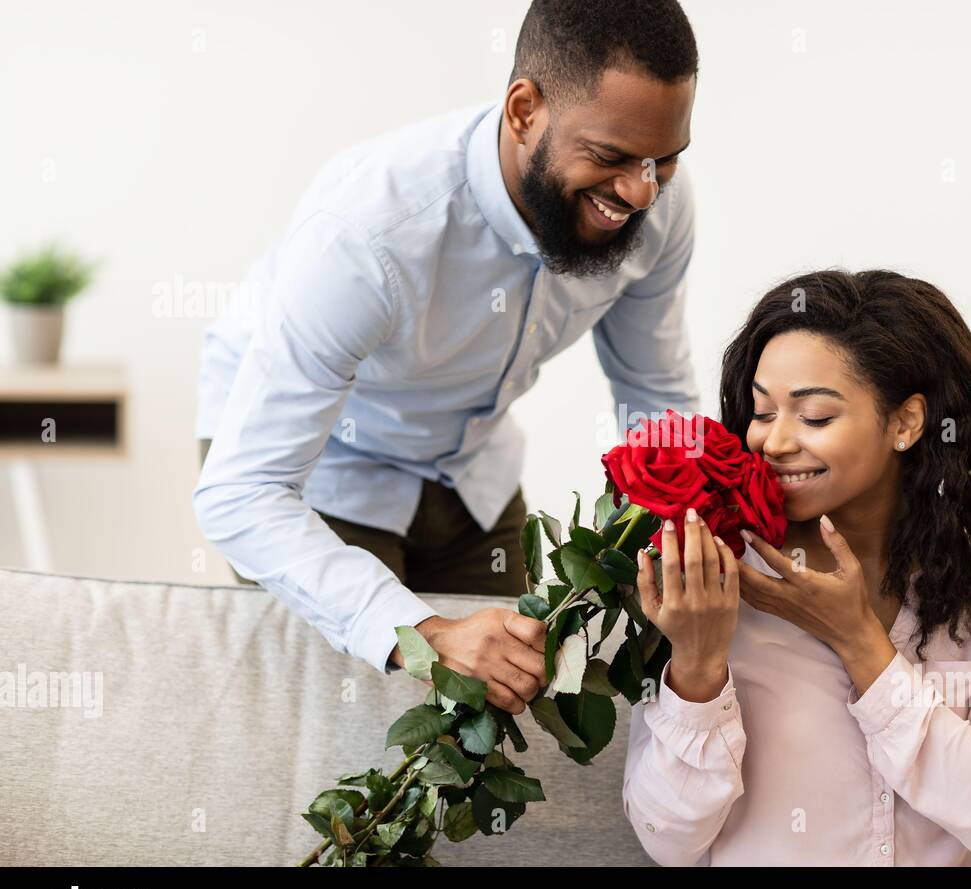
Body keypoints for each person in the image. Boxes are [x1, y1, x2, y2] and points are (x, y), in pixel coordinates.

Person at [192, 0, 701, 716]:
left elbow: (654, 393)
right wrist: (424, 636)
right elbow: (239, 495)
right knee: (351, 728)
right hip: (318, 466)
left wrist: (693, 525)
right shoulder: (367, 234)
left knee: (515, 698)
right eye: (610, 158)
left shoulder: (654, 209)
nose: (640, 192)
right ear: (523, 109)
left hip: (472, 468)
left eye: (663, 161)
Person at [622, 269, 971, 865]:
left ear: (905, 422)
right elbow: (665, 839)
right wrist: (698, 665)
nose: (774, 443)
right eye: (761, 412)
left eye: (815, 418)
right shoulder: (704, 565)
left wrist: (858, 641)